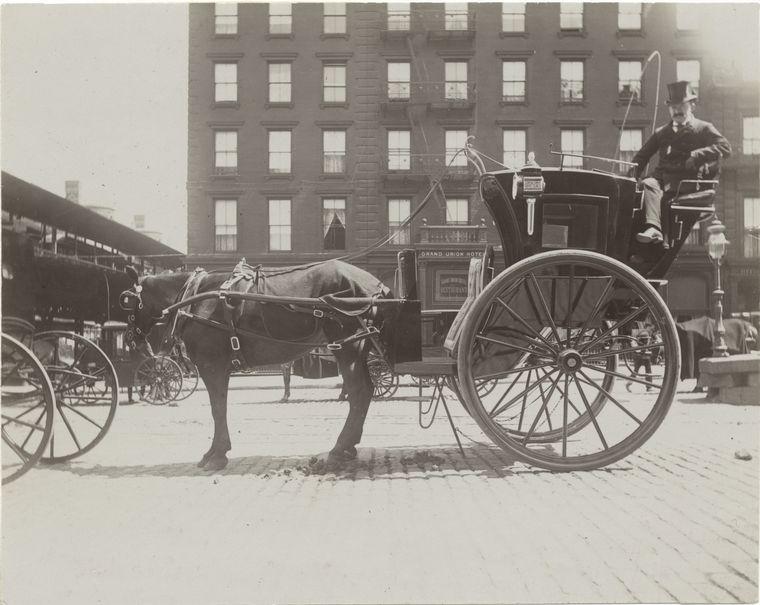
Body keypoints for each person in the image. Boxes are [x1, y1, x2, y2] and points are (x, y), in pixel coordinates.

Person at [631, 81, 731, 244]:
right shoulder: (662, 132)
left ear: (692, 105)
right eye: (673, 107)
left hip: (686, 181)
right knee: (648, 183)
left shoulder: (702, 128)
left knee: (663, 197)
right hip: (662, 179)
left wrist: (698, 154)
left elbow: (725, 147)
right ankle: (653, 229)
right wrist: (630, 177)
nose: (677, 110)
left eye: (681, 106)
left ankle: (661, 240)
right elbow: (642, 157)